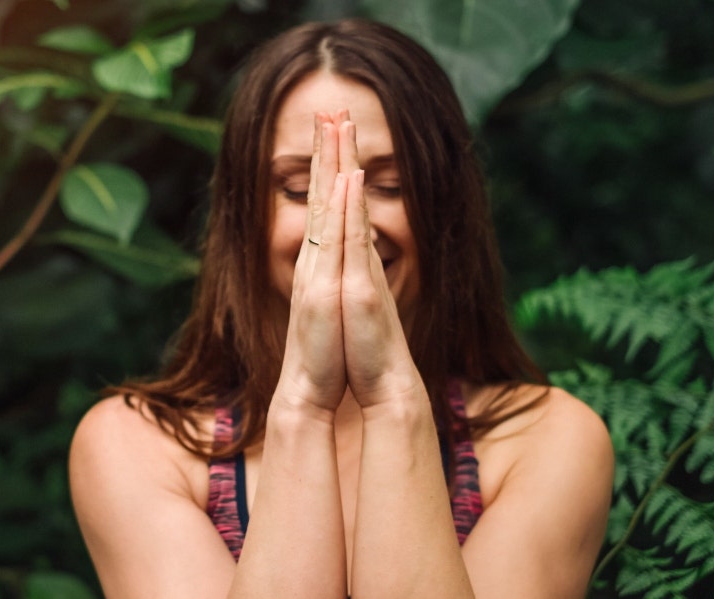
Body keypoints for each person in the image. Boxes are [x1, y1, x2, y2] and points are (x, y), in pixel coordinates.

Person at [69, 18, 613, 598]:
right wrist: (304, 402)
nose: (343, 218)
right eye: (302, 189)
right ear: (243, 215)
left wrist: (391, 401)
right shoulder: (138, 446)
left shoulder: (547, 442)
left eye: (389, 184)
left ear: (446, 210)